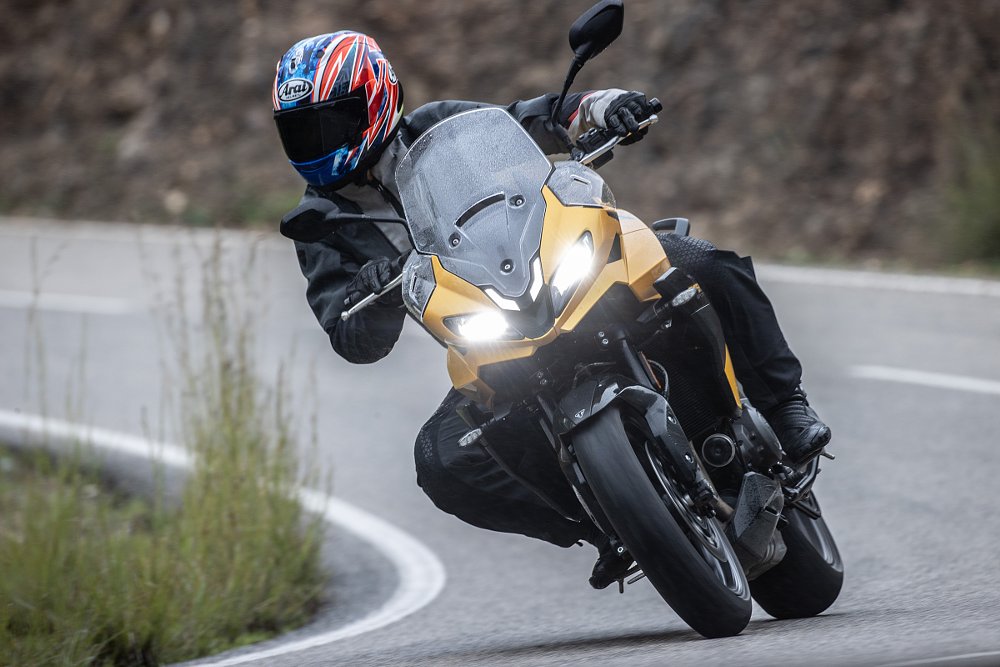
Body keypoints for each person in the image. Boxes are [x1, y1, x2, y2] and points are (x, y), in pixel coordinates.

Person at [273, 31, 832, 589]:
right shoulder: (322, 222)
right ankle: (609, 523)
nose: (318, 141)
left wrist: (603, 106)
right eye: (301, 130)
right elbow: (350, 335)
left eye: (331, 121)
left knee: (700, 263)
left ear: (376, 97)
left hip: (558, 270)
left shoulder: (439, 129)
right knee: (442, 460)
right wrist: (366, 299)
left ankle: (786, 408)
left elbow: (534, 121)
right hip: (488, 336)